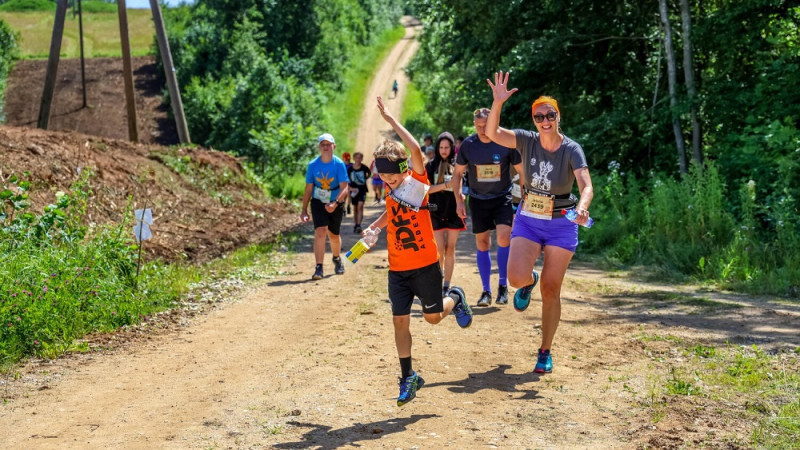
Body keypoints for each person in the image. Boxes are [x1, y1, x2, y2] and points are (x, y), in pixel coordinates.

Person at [366, 96, 473, 406]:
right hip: (397, 268)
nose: (389, 181)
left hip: (426, 265)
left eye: (392, 175)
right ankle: (408, 376)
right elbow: (391, 212)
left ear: (403, 169)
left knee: (433, 318)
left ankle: (456, 297)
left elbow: (414, 150)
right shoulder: (390, 190)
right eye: (383, 178)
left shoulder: (416, 182)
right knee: (400, 321)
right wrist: (375, 227)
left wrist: (391, 122)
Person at [485, 70, 594, 374]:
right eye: (539, 117)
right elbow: (493, 133)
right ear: (534, 120)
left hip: (562, 221)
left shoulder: (571, 149)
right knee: (517, 277)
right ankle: (527, 283)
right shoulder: (526, 140)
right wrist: (498, 103)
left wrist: (583, 207)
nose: (545, 121)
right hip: (530, 218)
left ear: (559, 117)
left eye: (550, 115)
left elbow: (586, 185)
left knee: (551, 288)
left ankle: (545, 350)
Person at [452, 107, 523, 307]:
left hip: (502, 197)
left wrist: (524, 197)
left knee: (503, 237)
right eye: (479, 126)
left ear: (494, 123)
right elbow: (457, 174)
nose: (482, 129)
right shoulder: (468, 145)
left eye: (486, 125)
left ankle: (502, 286)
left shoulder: (506, 141)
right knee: (482, 243)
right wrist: (459, 200)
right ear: (474, 125)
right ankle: (486, 290)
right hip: (478, 199)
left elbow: (521, 170)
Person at [300, 133, 350, 280]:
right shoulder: (313, 165)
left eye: (329, 144)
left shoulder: (339, 164)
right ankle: (319, 267)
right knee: (321, 231)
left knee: (333, 235)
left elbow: (345, 187)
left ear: (334, 146)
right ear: (319, 147)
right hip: (318, 200)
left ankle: (336, 258)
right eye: (323, 145)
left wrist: (335, 203)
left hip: (336, 199)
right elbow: (308, 188)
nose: (326, 147)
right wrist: (303, 209)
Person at [425, 131, 466, 296]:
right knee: (439, 249)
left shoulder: (458, 165)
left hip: (453, 211)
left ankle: (446, 286)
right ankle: (437, 279)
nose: (443, 150)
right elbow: (427, 189)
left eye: (446, 147)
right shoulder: (430, 165)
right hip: (435, 210)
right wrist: (445, 185)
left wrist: (460, 197)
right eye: (441, 147)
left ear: (451, 148)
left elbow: (460, 185)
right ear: (437, 148)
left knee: (450, 248)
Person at [347, 151, 371, 234]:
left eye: (360, 158)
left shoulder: (364, 168)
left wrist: (364, 179)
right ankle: (356, 224)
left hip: (362, 190)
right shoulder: (350, 169)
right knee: (355, 208)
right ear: (353, 158)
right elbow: (346, 180)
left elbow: (369, 173)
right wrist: (350, 188)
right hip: (354, 190)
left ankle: (359, 224)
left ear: (362, 159)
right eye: (356, 158)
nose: (358, 159)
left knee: (360, 206)